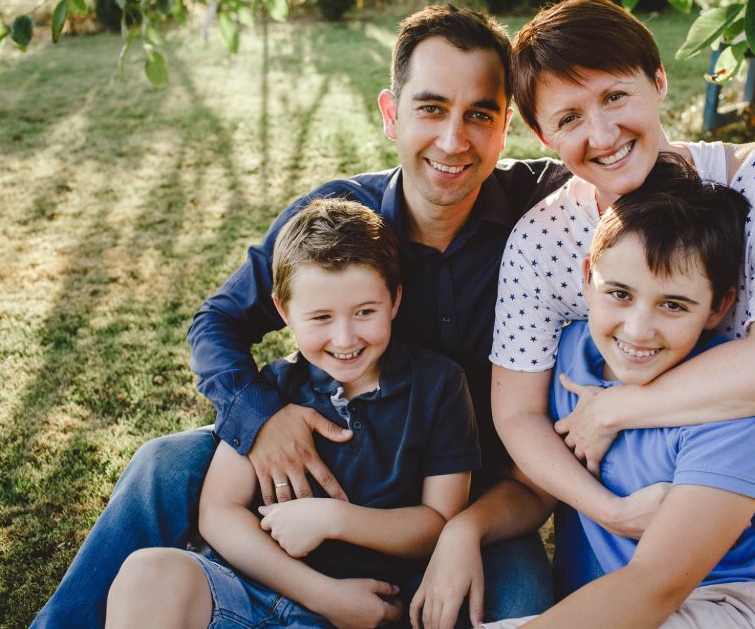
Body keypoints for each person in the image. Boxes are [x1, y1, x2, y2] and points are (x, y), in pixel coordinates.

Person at [32, 2, 755, 629]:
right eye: (430, 108)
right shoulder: (339, 218)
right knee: (167, 463)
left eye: (479, 114)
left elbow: (638, 168)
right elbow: (217, 322)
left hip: (484, 484)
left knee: (516, 597)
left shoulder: (541, 206)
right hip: (343, 447)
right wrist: (260, 414)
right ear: (392, 112)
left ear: (505, 127)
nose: (453, 140)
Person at [490, 0, 755, 553]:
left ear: (659, 81)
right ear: (542, 135)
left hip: (748, 483)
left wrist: (612, 410)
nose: (602, 135)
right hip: (604, 497)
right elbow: (517, 413)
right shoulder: (541, 238)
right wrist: (611, 511)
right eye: (570, 118)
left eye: (616, 96)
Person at [480, 154, 755, 628]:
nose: (638, 330)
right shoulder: (572, 362)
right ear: (587, 278)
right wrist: (464, 530)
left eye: (674, 305)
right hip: (656, 600)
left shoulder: (735, 406)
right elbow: (533, 478)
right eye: (619, 293)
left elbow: (655, 583)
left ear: (719, 306)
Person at [104, 199, 482, 628]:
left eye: (365, 312)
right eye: (320, 317)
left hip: (362, 610)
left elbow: (437, 524)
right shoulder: (275, 390)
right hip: (254, 592)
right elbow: (219, 513)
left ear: (394, 300)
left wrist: (335, 519)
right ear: (283, 311)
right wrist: (322, 595)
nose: (345, 337)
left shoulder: (439, 385)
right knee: (148, 573)